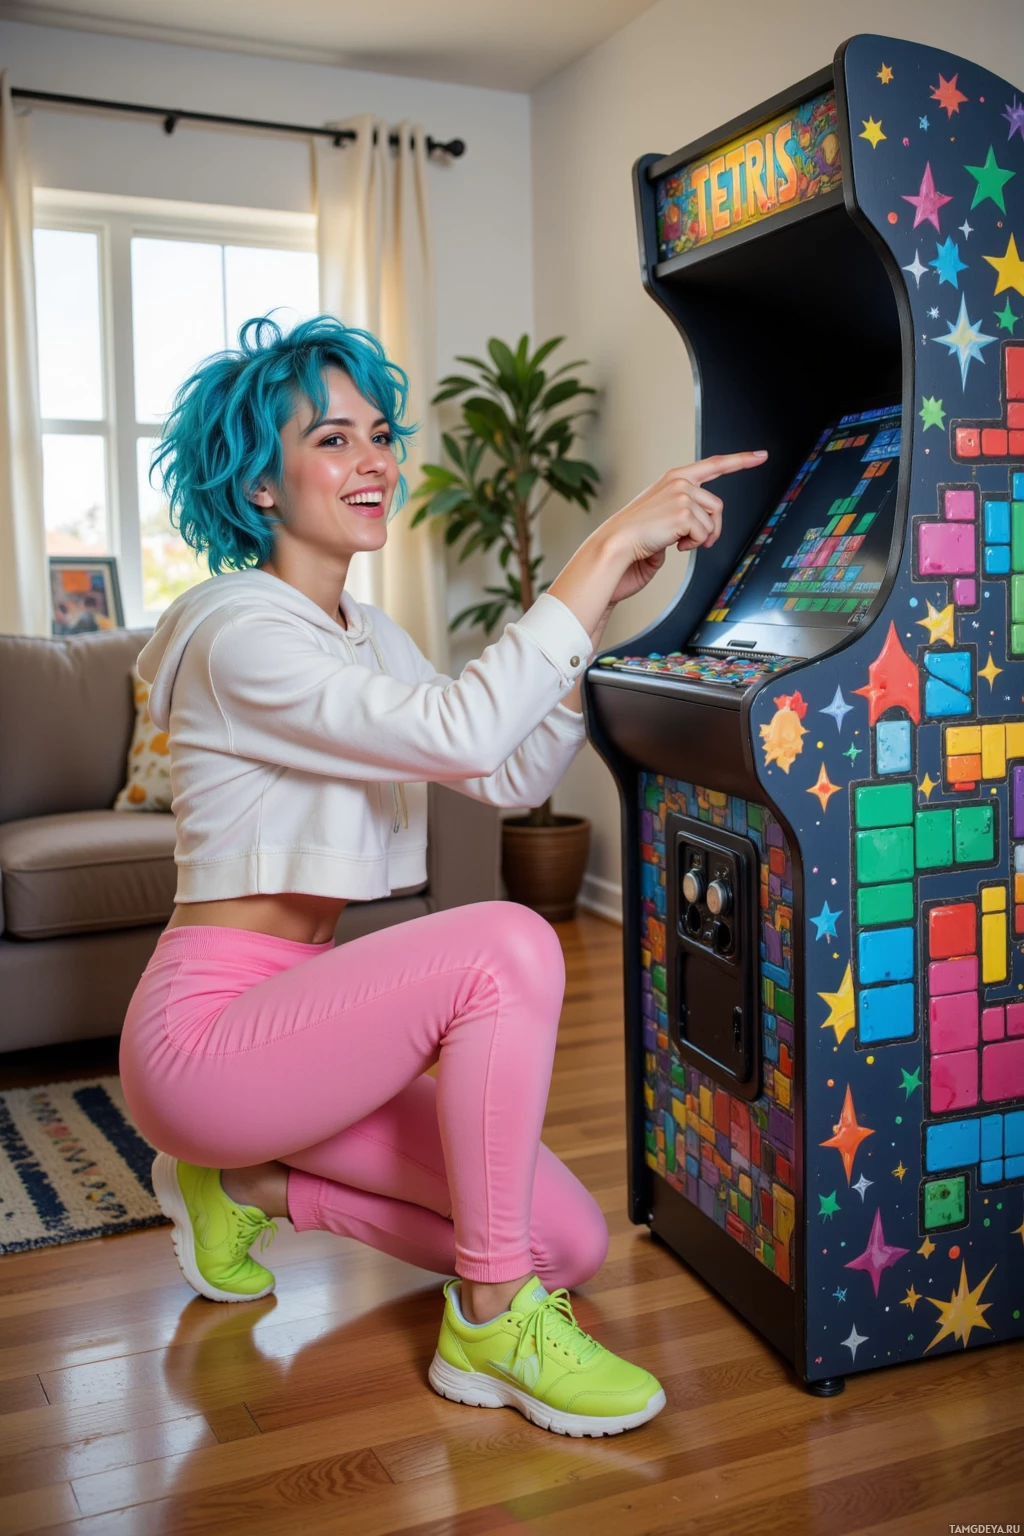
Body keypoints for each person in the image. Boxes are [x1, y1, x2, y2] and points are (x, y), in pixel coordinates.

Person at [119, 314, 766, 1439]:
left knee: (565, 1245)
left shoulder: (364, 632)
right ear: (258, 483)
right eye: (332, 438)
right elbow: (469, 732)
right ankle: (488, 1320)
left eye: (380, 433)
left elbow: (509, 768)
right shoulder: (236, 630)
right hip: (207, 1043)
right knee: (507, 941)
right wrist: (598, 549)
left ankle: (247, 1188)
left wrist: (596, 607)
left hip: (302, 1041)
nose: (373, 461)